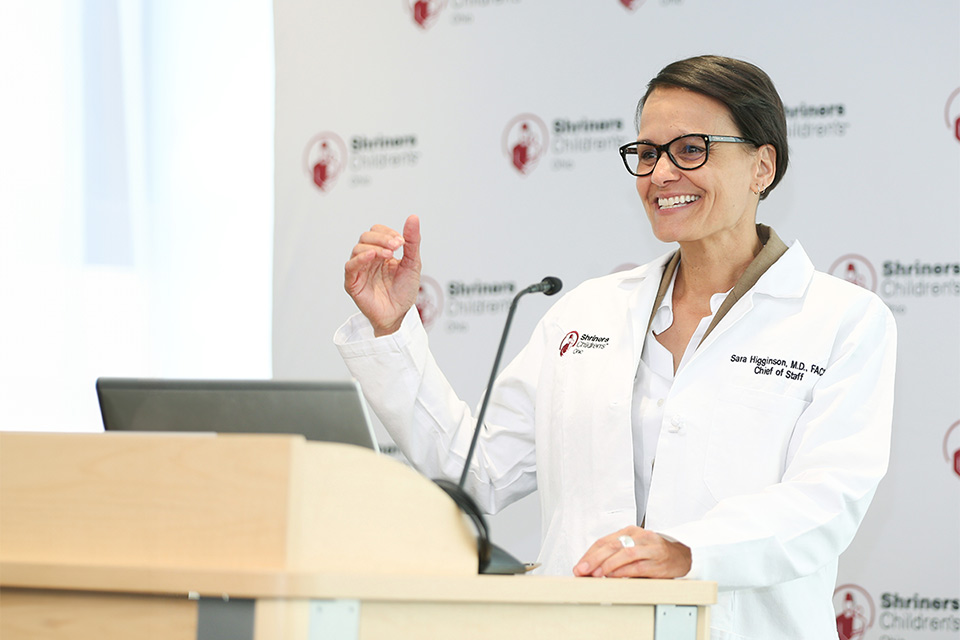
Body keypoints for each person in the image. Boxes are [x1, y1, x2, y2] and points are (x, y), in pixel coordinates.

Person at [334, 55, 896, 639]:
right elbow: (476, 474)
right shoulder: (587, 310)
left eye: (691, 149)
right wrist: (392, 330)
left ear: (762, 166)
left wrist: (686, 551)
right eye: (648, 153)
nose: (660, 174)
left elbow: (824, 504)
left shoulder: (843, 321)